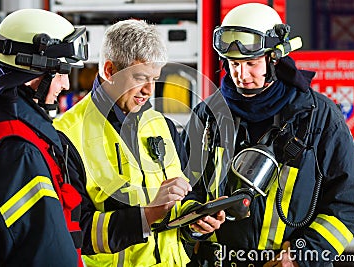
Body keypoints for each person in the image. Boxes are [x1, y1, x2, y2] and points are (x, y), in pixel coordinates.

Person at [182, 3, 354, 267]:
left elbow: (350, 199)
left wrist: (304, 254)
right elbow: (183, 190)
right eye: (233, 64)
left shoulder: (318, 116)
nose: (241, 75)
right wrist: (193, 221)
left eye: (251, 63)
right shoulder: (208, 116)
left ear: (274, 59)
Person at [53, 19, 225, 267]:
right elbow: (73, 232)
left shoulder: (163, 126)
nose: (149, 89)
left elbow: (185, 199)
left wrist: (198, 222)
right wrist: (147, 216)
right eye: (140, 77)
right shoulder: (66, 136)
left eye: (154, 78)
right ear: (110, 71)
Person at [0, 9, 89, 266]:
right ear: (34, 76)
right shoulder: (19, 150)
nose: (65, 84)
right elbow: (44, 252)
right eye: (61, 72)